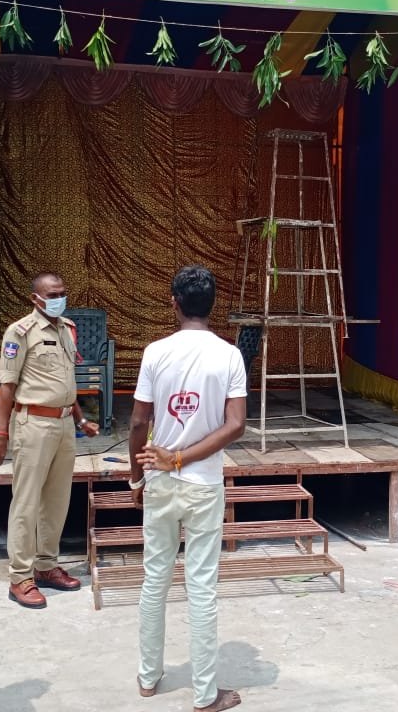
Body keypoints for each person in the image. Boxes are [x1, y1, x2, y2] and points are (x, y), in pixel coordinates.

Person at [129, 265, 247, 712]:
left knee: (154, 580)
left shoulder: (155, 352)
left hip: (159, 480)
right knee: (201, 586)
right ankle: (204, 694)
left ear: (173, 302)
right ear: (212, 304)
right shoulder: (229, 356)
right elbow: (235, 425)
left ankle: (147, 677)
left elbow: (139, 421)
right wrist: (185, 459)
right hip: (203, 485)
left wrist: (138, 476)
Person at [0, 272, 99, 608]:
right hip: (33, 423)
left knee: (57, 499)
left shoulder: (66, 328)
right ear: (36, 298)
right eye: (53, 294)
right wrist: (1, 433)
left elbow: (67, 382)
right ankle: (20, 576)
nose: (59, 298)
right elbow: (7, 387)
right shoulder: (19, 333)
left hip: (65, 424)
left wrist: (80, 419)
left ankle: (46, 566)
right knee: (26, 502)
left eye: (63, 292)